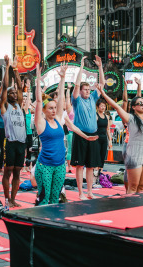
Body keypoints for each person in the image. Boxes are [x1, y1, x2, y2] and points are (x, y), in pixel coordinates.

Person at [34, 63, 97, 205]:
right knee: (45, 198)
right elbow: (39, 100)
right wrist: (38, 79)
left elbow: (61, 99)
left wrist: (62, 78)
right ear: (44, 110)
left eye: (54, 108)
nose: (53, 110)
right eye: (50, 108)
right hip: (45, 165)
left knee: (56, 198)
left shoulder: (57, 120)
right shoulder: (41, 123)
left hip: (60, 165)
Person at [98, 84, 143, 194]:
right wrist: (104, 94)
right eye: (140, 104)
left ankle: (138, 209)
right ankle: (129, 208)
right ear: (133, 107)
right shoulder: (130, 118)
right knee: (133, 187)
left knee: (142, 187)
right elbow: (116, 106)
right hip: (135, 154)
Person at [71, 55, 105, 200]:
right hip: (80, 135)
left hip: (93, 135)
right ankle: (80, 193)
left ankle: (90, 191)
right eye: (84, 89)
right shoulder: (76, 100)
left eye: (88, 89)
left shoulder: (92, 99)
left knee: (91, 166)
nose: (87, 91)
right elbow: (77, 85)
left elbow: (102, 84)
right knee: (80, 166)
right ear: (80, 91)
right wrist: (81, 66)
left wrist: (100, 67)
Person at [0, 55, 26, 208]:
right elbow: (4, 87)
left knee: (17, 172)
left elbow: (20, 87)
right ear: (7, 96)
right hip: (10, 142)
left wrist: (16, 69)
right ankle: (7, 198)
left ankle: (13, 199)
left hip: (21, 143)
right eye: (12, 93)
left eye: (15, 93)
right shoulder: (5, 107)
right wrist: (8, 67)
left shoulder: (19, 105)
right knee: (8, 171)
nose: (14, 94)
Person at [95, 98, 112, 179]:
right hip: (96, 139)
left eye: (104, 106)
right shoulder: (96, 116)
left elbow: (108, 129)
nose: (103, 107)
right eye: (101, 106)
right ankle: (95, 173)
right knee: (97, 156)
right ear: (97, 107)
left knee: (102, 156)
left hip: (104, 139)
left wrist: (110, 141)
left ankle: (100, 173)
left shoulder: (107, 117)